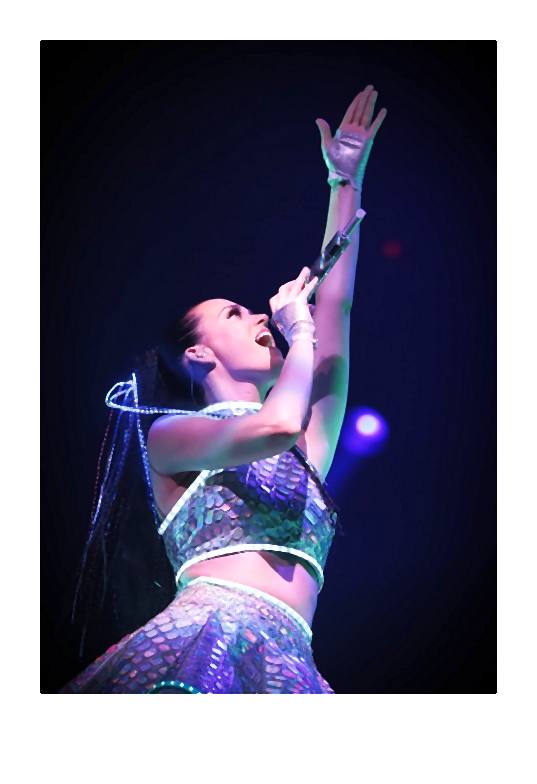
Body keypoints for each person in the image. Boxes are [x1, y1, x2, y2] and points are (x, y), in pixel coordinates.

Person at [58, 83, 387, 694]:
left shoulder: (307, 449)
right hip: (206, 636)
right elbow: (274, 425)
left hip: (290, 661)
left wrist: (345, 183)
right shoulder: (172, 437)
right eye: (235, 314)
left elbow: (336, 305)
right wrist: (299, 332)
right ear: (198, 353)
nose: (259, 316)